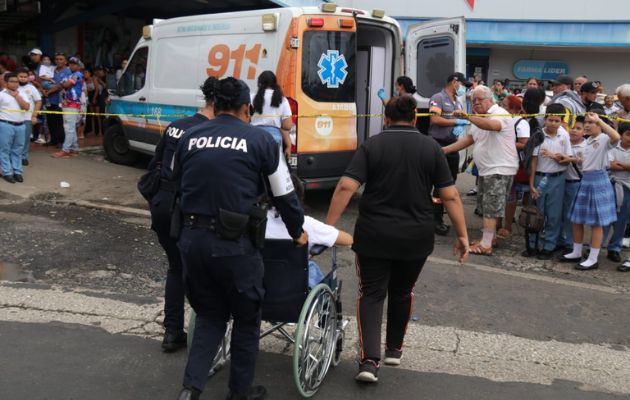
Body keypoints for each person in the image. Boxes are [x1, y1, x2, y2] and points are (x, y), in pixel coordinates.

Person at [174, 77, 307, 400]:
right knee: (247, 319)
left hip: (192, 242)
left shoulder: (189, 137)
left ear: (215, 105)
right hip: (235, 246)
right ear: (248, 108)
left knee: (208, 315)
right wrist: (297, 231)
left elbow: (177, 183)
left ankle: (190, 390)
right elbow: (284, 194)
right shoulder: (261, 141)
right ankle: (239, 392)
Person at [325, 95, 468, 383]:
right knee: (403, 291)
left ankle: (369, 362)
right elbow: (450, 194)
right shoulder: (432, 148)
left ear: (386, 119)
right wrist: (463, 235)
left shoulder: (372, 145)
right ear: (416, 119)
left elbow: (345, 187)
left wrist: (327, 227)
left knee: (372, 293)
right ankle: (393, 350)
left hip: (374, 234)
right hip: (416, 236)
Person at [146, 77, 218, 353]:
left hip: (163, 204)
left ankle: (173, 330)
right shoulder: (212, 132)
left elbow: (156, 164)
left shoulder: (176, 127)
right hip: (191, 208)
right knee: (202, 271)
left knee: (177, 268)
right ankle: (205, 334)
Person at [444, 85, 518, 256]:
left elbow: (492, 126)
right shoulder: (478, 118)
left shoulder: (499, 113)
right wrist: (445, 150)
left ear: (490, 99)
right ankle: (489, 238)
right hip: (488, 169)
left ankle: (486, 244)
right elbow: (469, 139)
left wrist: (469, 117)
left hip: (499, 168)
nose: (476, 103)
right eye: (473, 100)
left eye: (480, 99)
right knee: (487, 206)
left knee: (491, 207)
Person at [265, 174, 353, 288]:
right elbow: (348, 239)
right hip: (294, 284)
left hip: (262, 281)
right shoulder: (306, 224)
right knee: (311, 268)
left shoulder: (257, 221)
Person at [561, 111, 620, 270]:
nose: (587, 125)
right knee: (576, 219)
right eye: (586, 122)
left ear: (599, 124)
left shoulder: (604, 138)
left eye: (590, 122)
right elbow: (587, 161)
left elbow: (616, 137)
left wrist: (599, 121)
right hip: (586, 180)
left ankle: (593, 258)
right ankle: (577, 251)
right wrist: (575, 159)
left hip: (598, 181)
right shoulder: (588, 140)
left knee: (596, 223)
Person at [524, 103, 572, 259]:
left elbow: (567, 159)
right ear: (545, 120)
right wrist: (531, 184)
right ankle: (533, 245)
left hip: (557, 179)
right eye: (550, 120)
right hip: (539, 177)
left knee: (553, 215)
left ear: (561, 122)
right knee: (536, 213)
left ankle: (549, 246)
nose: (553, 123)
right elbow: (533, 161)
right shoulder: (539, 136)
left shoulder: (564, 135)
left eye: (557, 121)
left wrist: (554, 156)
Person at [428, 72, 471, 236]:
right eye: (462, 85)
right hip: (438, 145)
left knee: (449, 182)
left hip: (453, 145)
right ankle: (435, 219)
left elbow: (463, 118)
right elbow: (435, 119)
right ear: (454, 82)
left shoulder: (458, 102)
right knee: (438, 185)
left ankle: (439, 215)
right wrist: (455, 121)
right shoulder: (438, 97)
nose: (462, 89)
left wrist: (463, 122)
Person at [497, 95, 529, 239]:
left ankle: (507, 226)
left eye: (504, 105)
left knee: (509, 196)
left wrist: (505, 142)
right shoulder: (498, 119)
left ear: (514, 109)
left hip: (512, 164)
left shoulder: (521, 123)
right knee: (497, 195)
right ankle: (495, 225)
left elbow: (524, 144)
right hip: (497, 161)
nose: (501, 107)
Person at [603, 122, 630, 268]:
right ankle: (597, 245)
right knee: (605, 217)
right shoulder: (613, 146)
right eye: (627, 135)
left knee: (622, 220)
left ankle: (614, 248)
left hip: (627, 187)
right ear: (621, 134)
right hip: (612, 184)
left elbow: (615, 164)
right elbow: (610, 164)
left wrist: (620, 165)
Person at [250, 70, 293, 159]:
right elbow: (287, 126)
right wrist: (289, 146)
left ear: (259, 83)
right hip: (274, 140)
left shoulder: (252, 97)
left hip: (254, 138)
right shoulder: (283, 100)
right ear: (274, 83)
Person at [560, 116, 586, 252]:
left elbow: (582, 161)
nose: (574, 131)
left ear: (584, 132)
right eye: (573, 128)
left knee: (572, 215)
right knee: (559, 213)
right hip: (560, 182)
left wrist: (569, 159)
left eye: (578, 128)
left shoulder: (586, 146)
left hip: (575, 183)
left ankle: (570, 243)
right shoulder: (564, 141)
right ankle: (560, 239)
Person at [49, 57, 84, 158]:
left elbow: (66, 84)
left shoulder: (77, 74)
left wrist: (64, 85)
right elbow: (62, 85)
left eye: (74, 64)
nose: (71, 66)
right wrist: (64, 85)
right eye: (71, 64)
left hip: (72, 103)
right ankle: (74, 148)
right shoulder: (71, 74)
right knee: (70, 127)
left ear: (79, 66)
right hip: (68, 103)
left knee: (69, 128)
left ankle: (66, 150)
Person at [0, 73, 30, 183]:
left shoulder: (22, 93)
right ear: (6, 83)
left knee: (18, 150)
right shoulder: (1, 95)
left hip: (20, 125)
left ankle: (17, 172)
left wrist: (16, 96)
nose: (15, 84)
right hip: (5, 125)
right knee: (4, 149)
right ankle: (7, 172)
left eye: (16, 81)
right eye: (12, 81)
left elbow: (26, 107)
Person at [43, 53, 71, 147]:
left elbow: (61, 85)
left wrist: (49, 91)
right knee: (50, 121)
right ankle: (53, 140)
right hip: (49, 99)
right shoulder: (51, 70)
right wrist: (43, 90)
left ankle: (61, 141)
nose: (58, 61)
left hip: (60, 100)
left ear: (65, 61)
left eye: (61, 59)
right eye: (57, 59)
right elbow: (44, 80)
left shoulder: (67, 72)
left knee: (59, 122)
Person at [16, 68, 42, 166]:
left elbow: (38, 101)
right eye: (20, 76)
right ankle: (14, 157)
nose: (23, 79)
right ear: (16, 77)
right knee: (14, 139)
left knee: (25, 139)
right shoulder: (13, 87)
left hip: (27, 118)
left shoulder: (31, 88)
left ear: (28, 78)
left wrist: (34, 115)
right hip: (13, 118)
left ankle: (23, 157)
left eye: (25, 77)